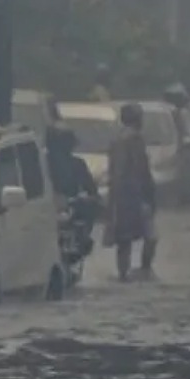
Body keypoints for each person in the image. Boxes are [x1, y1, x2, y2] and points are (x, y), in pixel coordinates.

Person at [106, 104, 158, 281]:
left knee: (126, 239)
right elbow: (132, 170)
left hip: (129, 195)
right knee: (146, 236)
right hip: (133, 195)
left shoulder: (121, 139)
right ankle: (140, 271)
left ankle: (127, 274)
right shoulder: (130, 140)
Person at [44, 125, 98, 259]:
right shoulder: (41, 163)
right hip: (47, 208)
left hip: (69, 207)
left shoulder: (77, 164)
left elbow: (90, 188)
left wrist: (90, 198)